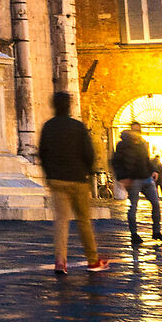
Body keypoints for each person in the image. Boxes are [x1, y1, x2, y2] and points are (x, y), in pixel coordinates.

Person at [36, 92, 107, 274]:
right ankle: (92, 260)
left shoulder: (48, 127)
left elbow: (42, 152)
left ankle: (60, 261)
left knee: (61, 221)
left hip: (57, 180)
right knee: (84, 220)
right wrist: (88, 172)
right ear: (69, 106)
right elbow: (89, 153)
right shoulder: (77, 127)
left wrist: (48, 174)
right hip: (78, 179)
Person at [110, 123, 162, 245]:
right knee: (133, 207)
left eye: (138, 130)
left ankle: (156, 232)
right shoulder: (122, 145)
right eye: (135, 130)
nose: (137, 133)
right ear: (131, 131)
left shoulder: (142, 144)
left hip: (147, 178)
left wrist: (153, 170)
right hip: (133, 180)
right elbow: (116, 162)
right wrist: (123, 178)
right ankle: (134, 234)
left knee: (156, 203)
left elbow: (146, 160)